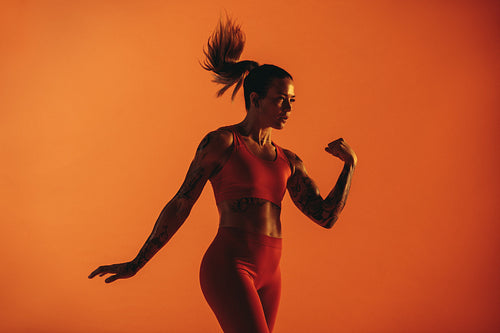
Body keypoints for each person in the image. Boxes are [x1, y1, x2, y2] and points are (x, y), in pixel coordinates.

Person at [88, 16, 357, 333]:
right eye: (281, 99)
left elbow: (326, 216)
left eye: (292, 101)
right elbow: (181, 203)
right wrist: (138, 262)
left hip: (272, 273)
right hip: (230, 265)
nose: (289, 107)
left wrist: (349, 164)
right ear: (255, 100)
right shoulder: (222, 143)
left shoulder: (290, 161)